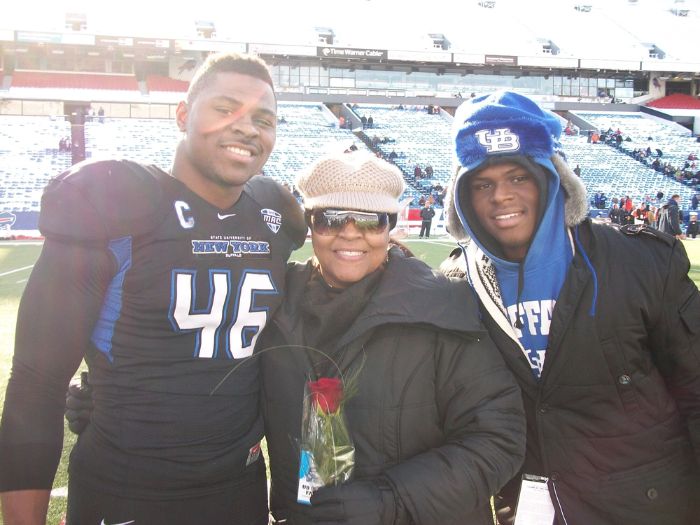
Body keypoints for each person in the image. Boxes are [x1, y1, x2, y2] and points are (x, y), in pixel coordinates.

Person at [0, 52, 307, 525]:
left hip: (240, 488)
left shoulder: (276, 212)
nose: (248, 128)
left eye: (264, 119)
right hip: (126, 491)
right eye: (226, 109)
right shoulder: (118, 199)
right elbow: (36, 384)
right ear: (183, 115)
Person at [443, 91, 700, 525]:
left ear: (552, 178)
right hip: (530, 507)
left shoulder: (638, 261)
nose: (500, 196)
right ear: (462, 196)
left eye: (518, 177)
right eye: (482, 183)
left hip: (649, 506)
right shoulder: (455, 285)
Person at [260, 151, 526, 525]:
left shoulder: (444, 305)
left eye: (370, 221)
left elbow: (499, 438)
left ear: (390, 227)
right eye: (331, 218)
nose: (350, 232)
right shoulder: (272, 304)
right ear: (310, 226)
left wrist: (390, 500)